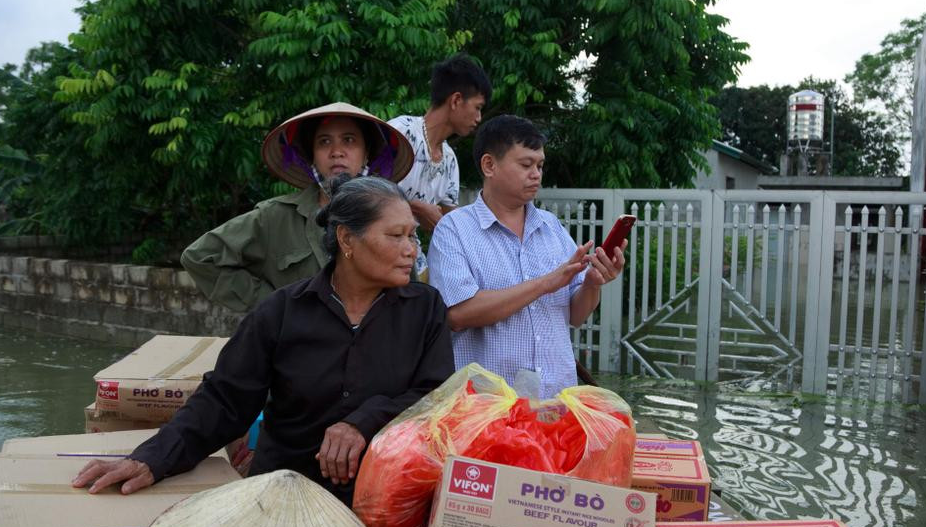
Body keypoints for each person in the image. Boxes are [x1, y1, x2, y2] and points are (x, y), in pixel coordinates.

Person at [73, 175, 455, 503]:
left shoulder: (424, 308)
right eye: (396, 236)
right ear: (346, 240)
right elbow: (224, 400)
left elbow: (435, 396)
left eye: (412, 236)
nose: (412, 250)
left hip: (384, 498)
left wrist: (362, 422)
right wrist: (152, 458)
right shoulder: (282, 312)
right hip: (283, 491)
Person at [426, 115, 625, 399]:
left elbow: (576, 315)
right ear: (489, 165)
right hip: (487, 408)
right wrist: (545, 283)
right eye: (525, 164)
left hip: (557, 401)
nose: (536, 174)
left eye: (540, 165)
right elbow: (458, 314)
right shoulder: (454, 229)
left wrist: (593, 283)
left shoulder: (551, 227)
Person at [180, 103, 414, 312]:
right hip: (296, 351)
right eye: (324, 142)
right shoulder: (276, 217)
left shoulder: (391, 216)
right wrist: (274, 306)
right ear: (312, 156)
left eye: (349, 140)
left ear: (366, 155)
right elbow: (201, 257)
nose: (336, 152)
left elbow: (408, 291)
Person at [388, 55, 491, 278]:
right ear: (455, 100)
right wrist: (415, 207)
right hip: (374, 251)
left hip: (411, 257)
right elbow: (361, 191)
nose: (479, 118)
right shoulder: (401, 133)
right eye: (477, 107)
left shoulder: (449, 160)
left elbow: (450, 222)